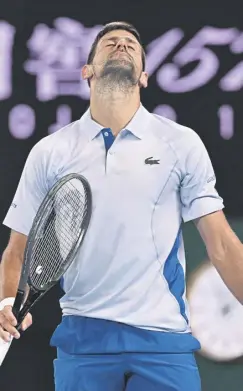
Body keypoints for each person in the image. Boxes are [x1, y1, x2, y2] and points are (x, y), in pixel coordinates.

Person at [0, 21, 243, 391]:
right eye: (110, 43)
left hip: (163, 344)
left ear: (143, 76)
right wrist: (5, 300)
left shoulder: (180, 143)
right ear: (87, 71)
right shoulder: (50, 152)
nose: (122, 45)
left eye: (131, 44)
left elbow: (222, 245)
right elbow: (17, 249)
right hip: (83, 344)